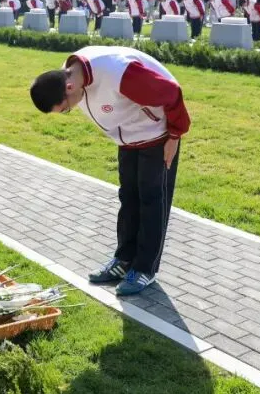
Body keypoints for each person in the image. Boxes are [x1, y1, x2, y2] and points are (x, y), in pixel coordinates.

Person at [30, 46, 190, 296]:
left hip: (156, 135)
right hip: (127, 138)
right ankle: (124, 259)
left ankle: (145, 268)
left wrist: (175, 135)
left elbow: (170, 92)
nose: (70, 110)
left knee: (151, 201)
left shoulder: (119, 72)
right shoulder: (70, 75)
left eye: (66, 108)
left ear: (69, 87)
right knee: (128, 198)